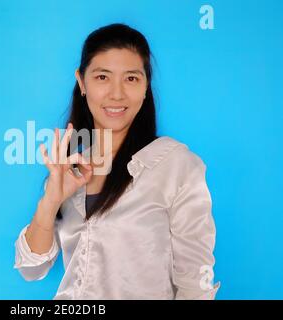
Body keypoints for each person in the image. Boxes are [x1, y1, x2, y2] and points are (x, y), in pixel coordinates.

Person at [13, 23, 220, 299]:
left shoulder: (176, 165)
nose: (117, 94)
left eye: (131, 79)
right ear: (82, 82)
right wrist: (51, 199)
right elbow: (32, 269)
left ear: (146, 86)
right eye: (102, 77)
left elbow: (197, 284)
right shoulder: (70, 169)